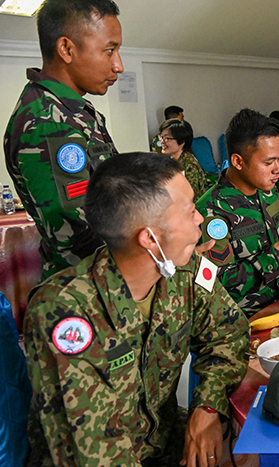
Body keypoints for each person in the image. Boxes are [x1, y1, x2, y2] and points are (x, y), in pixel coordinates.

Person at [24, 152, 250, 466]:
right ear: (150, 238)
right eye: (188, 211)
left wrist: (208, 407)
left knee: (252, 448)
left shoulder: (182, 271)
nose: (200, 218)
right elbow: (91, 452)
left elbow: (229, 333)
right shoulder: (64, 313)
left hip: (163, 441)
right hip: (97, 458)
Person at [3, 0, 122, 280]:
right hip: (91, 290)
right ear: (67, 49)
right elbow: (77, 236)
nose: (119, 65)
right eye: (109, 50)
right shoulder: (47, 122)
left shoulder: (72, 110)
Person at [196, 109, 279, 317]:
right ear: (238, 161)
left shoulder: (269, 193)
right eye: (269, 162)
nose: (278, 169)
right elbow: (220, 283)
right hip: (246, 319)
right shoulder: (210, 211)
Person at [158, 118, 207, 200]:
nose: (162, 141)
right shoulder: (170, 161)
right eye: (161, 137)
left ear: (182, 142)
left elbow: (190, 198)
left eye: (166, 138)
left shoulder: (189, 166)